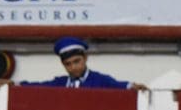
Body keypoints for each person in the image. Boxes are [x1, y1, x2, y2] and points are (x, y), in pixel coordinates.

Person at [8, 37, 147, 90]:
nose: (73, 67)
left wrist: (132, 86)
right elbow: (39, 86)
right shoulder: (60, 83)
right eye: (68, 64)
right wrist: (14, 84)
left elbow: (117, 85)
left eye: (77, 61)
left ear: (85, 58)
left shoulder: (99, 79)